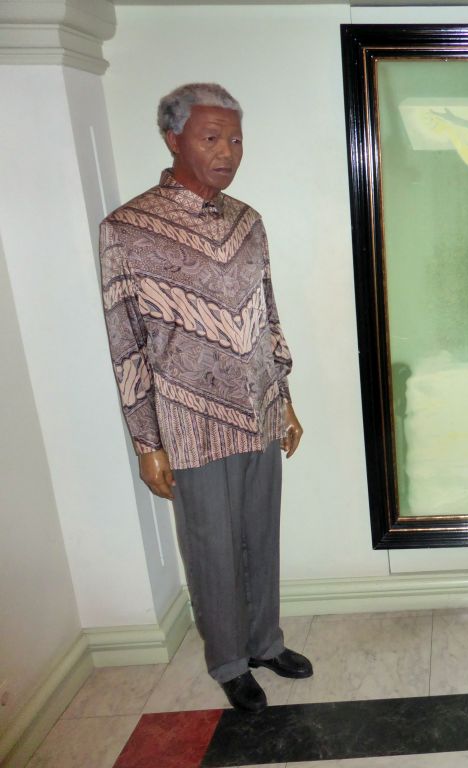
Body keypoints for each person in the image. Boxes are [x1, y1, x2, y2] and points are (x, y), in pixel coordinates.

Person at [99, 83, 311, 713]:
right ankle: (226, 659)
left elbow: (268, 314)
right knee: (212, 544)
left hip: (259, 409)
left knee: (259, 533)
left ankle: (265, 641)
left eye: (235, 138)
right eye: (211, 137)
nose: (228, 152)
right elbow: (124, 341)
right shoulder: (128, 229)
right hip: (186, 422)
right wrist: (146, 441)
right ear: (174, 140)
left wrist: (286, 398)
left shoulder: (249, 222)